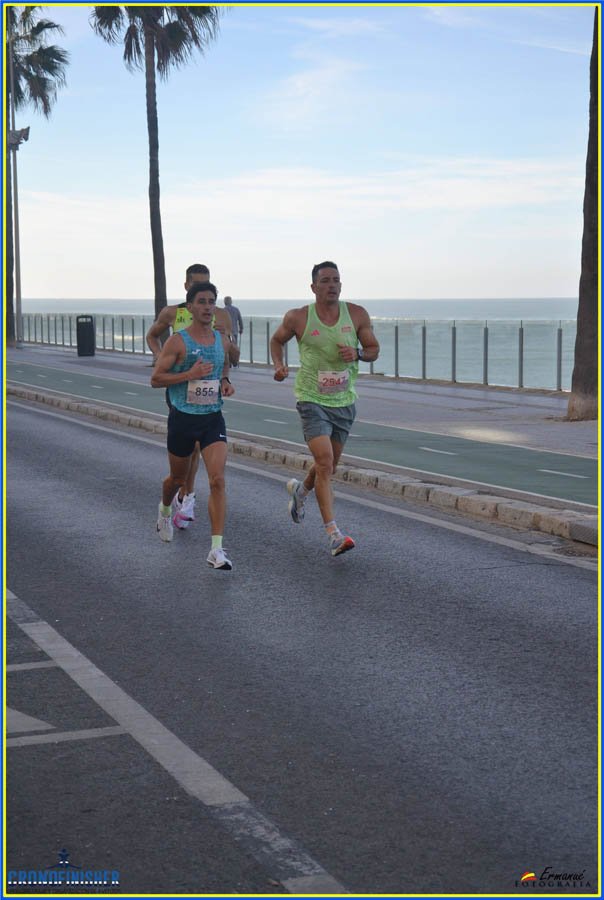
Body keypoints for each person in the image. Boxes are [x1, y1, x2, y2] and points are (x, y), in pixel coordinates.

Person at [270, 261, 380, 557]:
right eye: (326, 281)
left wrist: (357, 353)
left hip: (344, 402)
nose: (332, 285)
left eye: (336, 280)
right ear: (314, 287)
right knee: (324, 460)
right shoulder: (298, 317)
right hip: (311, 399)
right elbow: (277, 340)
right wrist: (279, 365)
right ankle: (333, 534)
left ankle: (301, 491)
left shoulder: (356, 314)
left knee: (326, 467)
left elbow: (373, 350)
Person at [146, 264, 240, 531]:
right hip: (180, 394)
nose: (207, 305)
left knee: (203, 451)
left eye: (208, 285)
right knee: (190, 452)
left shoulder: (220, 315)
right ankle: (180, 492)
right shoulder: (172, 313)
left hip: (210, 401)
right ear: (187, 287)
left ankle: (187, 499)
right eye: (197, 285)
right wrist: (160, 357)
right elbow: (152, 336)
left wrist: (226, 374)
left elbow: (230, 356)